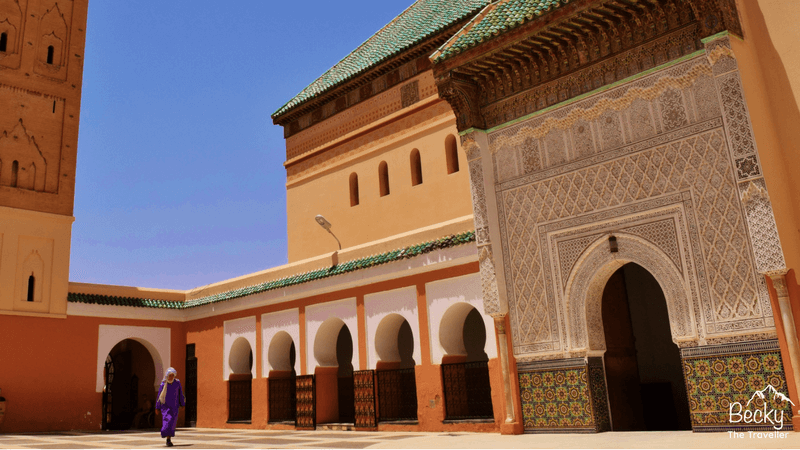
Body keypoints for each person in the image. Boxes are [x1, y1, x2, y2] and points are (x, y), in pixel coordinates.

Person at [156, 367, 185, 447]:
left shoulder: (177, 383)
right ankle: (165, 434)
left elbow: (180, 394)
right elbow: (159, 396)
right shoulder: (163, 384)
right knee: (167, 422)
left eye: (172, 375)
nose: (171, 377)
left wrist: (182, 404)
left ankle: (168, 440)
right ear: (167, 375)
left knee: (172, 423)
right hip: (165, 407)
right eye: (170, 375)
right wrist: (157, 407)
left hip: (174, 407)